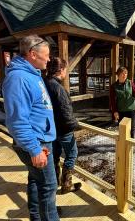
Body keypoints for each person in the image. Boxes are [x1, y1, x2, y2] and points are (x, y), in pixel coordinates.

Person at [3, 35, 59, 221]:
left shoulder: (31, 73)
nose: (49, 59)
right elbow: (17, 120)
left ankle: (36, 217)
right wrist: (34, 149)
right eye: (47, 55)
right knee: (49, 187)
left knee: (36, 180)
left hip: (38, 139)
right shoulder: (19, 78)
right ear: (33, 54)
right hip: (36, 142)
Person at [44, 57, 81, 194]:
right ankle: (66, 185)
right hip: (63, 129)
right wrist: (75, 125)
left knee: (55, 155)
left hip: (52, 129)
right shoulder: (58, 88)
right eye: (66, 69)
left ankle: (55, 182)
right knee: (72, 154)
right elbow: (65, 111)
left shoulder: (45, 83)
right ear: (61, 70)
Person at [110, 67, 135, 138]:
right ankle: (123, 147)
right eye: (122, 73)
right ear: (118, 75)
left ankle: (131, 147)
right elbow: (113, 100)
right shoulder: (114, 86)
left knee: (131, 129)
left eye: (126, 73)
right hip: (121, 111)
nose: (124, 75)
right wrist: (115, 111)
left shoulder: (130, 83)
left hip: (131, 110)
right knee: (122, 130)